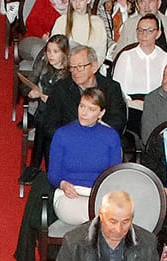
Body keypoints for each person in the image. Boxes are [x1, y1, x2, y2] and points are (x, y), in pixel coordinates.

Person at [46, 87, 122, 223]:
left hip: (99, 194)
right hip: (69, 195)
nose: (84, 113)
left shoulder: (111, 136)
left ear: (101, 113)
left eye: (91, 109)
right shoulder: (62, 134)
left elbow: (114, 175)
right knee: (102, 218)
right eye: (82, 106)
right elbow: (53, 174)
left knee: (112, 213)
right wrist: (62, 184)